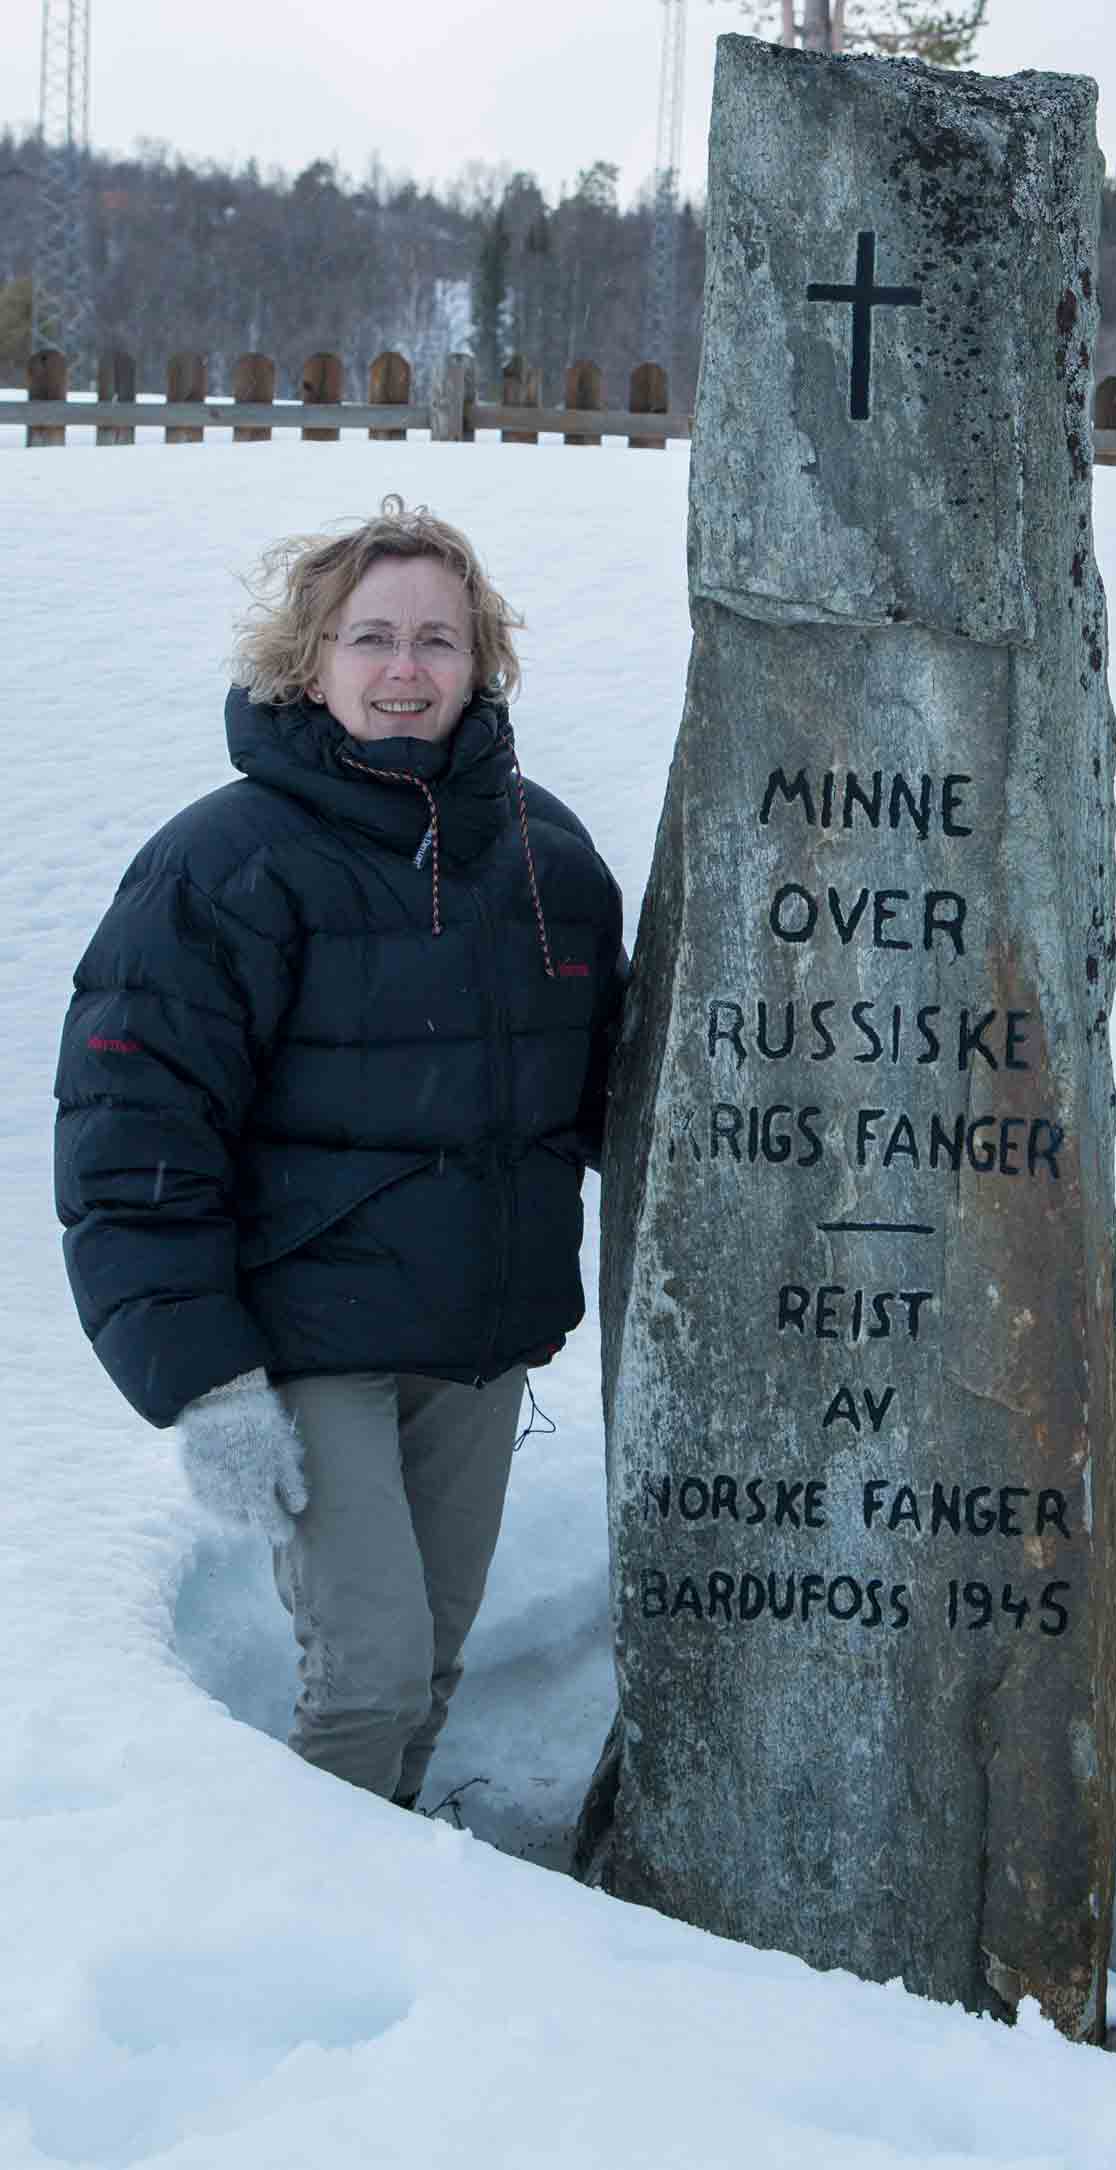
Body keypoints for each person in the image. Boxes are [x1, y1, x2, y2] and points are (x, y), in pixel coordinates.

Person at [56, 496, 628, 1811]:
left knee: (426, 1672)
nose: (406, 668)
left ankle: (395, 1908)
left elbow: (598, 1092)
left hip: (478, 1348)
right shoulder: (223, 867)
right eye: (372, 637)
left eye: (438, 637)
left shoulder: (545, 860)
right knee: (367, 1676)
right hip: (309, 1344)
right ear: (307, 660)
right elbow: (132, 1136)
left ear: (481, 659)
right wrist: (205, 1384)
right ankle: (290, 1930)